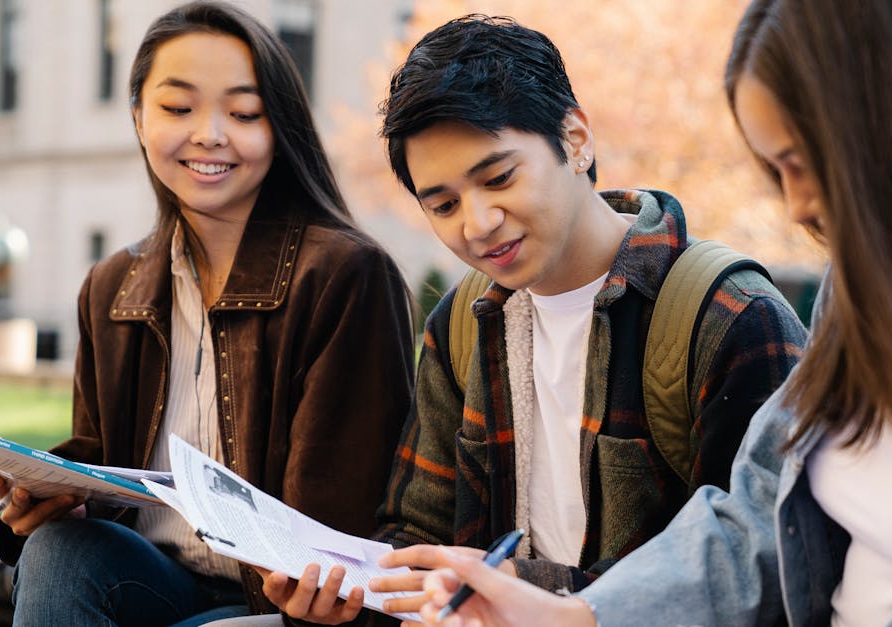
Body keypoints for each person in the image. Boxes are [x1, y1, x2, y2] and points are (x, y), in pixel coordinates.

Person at [407, 0, 892, 625]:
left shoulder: (730, 312)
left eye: (804, 161)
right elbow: (758, 510)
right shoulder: (866, 285)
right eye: (776, 170)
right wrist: (579, 615)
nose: (795, 205)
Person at [258, 14, 808, 624]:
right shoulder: (464, 323)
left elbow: (765, 569)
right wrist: (355, 597)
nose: (477, 223)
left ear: (576, 140)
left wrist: (534, 589)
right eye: (443, 204)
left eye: (499, 178)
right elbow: (415, 530)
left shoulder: (729, 316)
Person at [0, 2, 415, 625]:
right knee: (57, 550)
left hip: (278, 603)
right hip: (149, 580)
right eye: (178, 108)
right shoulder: (112, 286)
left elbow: (338, 521)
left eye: (243, 112)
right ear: (138, 118)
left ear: (279, 128)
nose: (210, 133)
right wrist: (48, 500)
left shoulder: (343, 275)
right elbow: (103, 461)